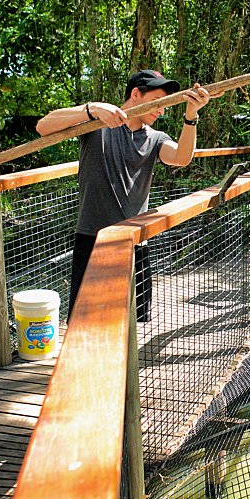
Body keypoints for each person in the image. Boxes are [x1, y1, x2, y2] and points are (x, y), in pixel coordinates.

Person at [36, 69, 212, 321]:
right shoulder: (97, 125)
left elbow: (182, 158)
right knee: (83, 320)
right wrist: (92, 109)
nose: (162, 110)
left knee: (133, 322)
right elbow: (43, 127)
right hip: (92, 237)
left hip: (134, 241)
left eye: (166, 104)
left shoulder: (155, 138)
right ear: (136, 94)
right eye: (159, 101)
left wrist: (191, 116)